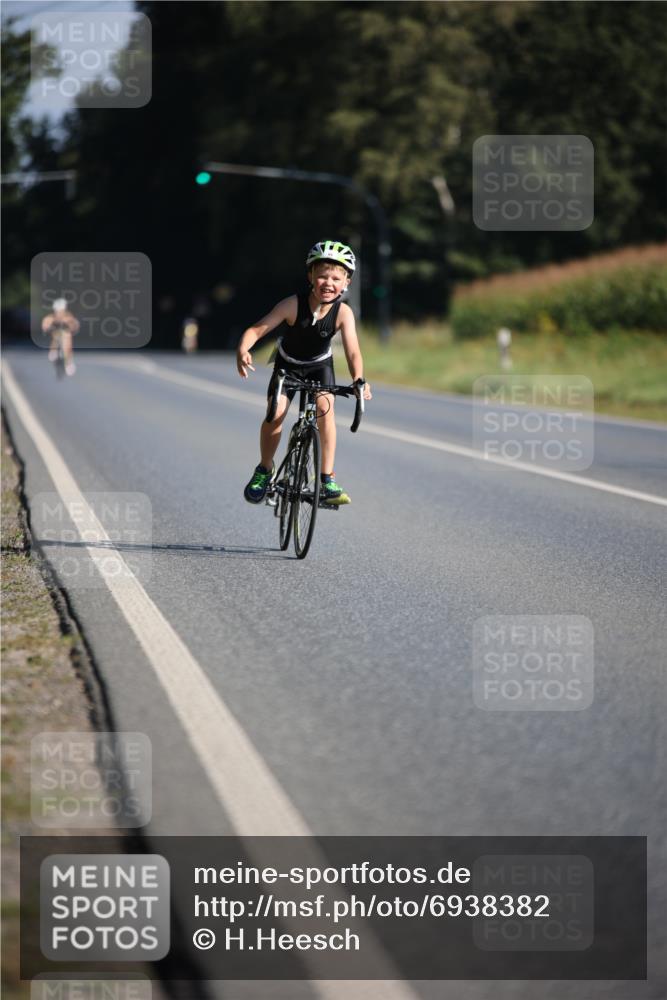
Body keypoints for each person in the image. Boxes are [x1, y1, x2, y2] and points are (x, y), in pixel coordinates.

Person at [237, 240, 372, 505]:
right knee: (275, 413)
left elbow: (353, 351)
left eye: (336, 278)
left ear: (346, 283)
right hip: (288, 365)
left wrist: (358, 379)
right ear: (310, 276)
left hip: (320, 366)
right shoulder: (292, 305)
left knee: (325, 410)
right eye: (322, 276)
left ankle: (327, 478)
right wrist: (243, 348)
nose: (328, 283)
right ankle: (264, 469)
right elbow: (257, 329)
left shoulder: (343, 313)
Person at [42, 298, 79, 376]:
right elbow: (45, 324)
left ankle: (69, 362)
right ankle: (53, 350)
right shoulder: (50, 317)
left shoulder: (68, 317)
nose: (59, 313)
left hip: (66, 333)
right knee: (56, 335)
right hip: (56, 333)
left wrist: (72, 328)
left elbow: (74, 325)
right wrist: (47, 328)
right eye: (57, 311)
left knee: (67, 337)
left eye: (61, 311)